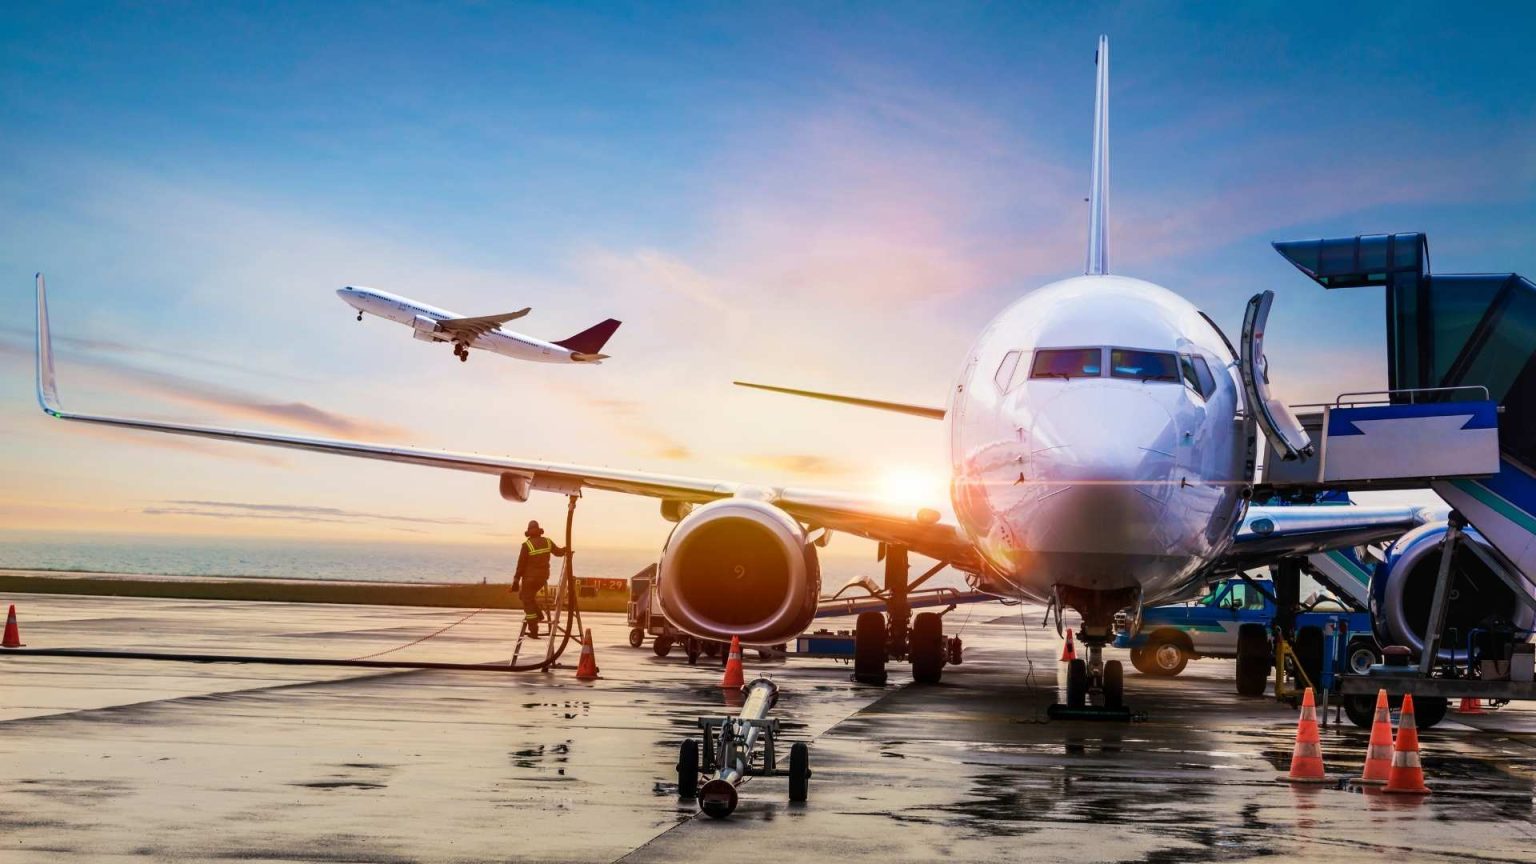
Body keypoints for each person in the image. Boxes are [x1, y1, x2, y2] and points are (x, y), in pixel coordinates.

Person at [511, 519, 568, 637]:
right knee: (527, 596)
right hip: (543, 577)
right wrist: (566, 549)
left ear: (528, 532)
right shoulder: (547, 541)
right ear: (539, 530)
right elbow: (559, 552)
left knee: (526, 599)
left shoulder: (526, 545)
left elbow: (521, 565)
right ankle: (539, 615)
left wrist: (516, 580)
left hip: (529, 578)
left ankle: (534, 629)